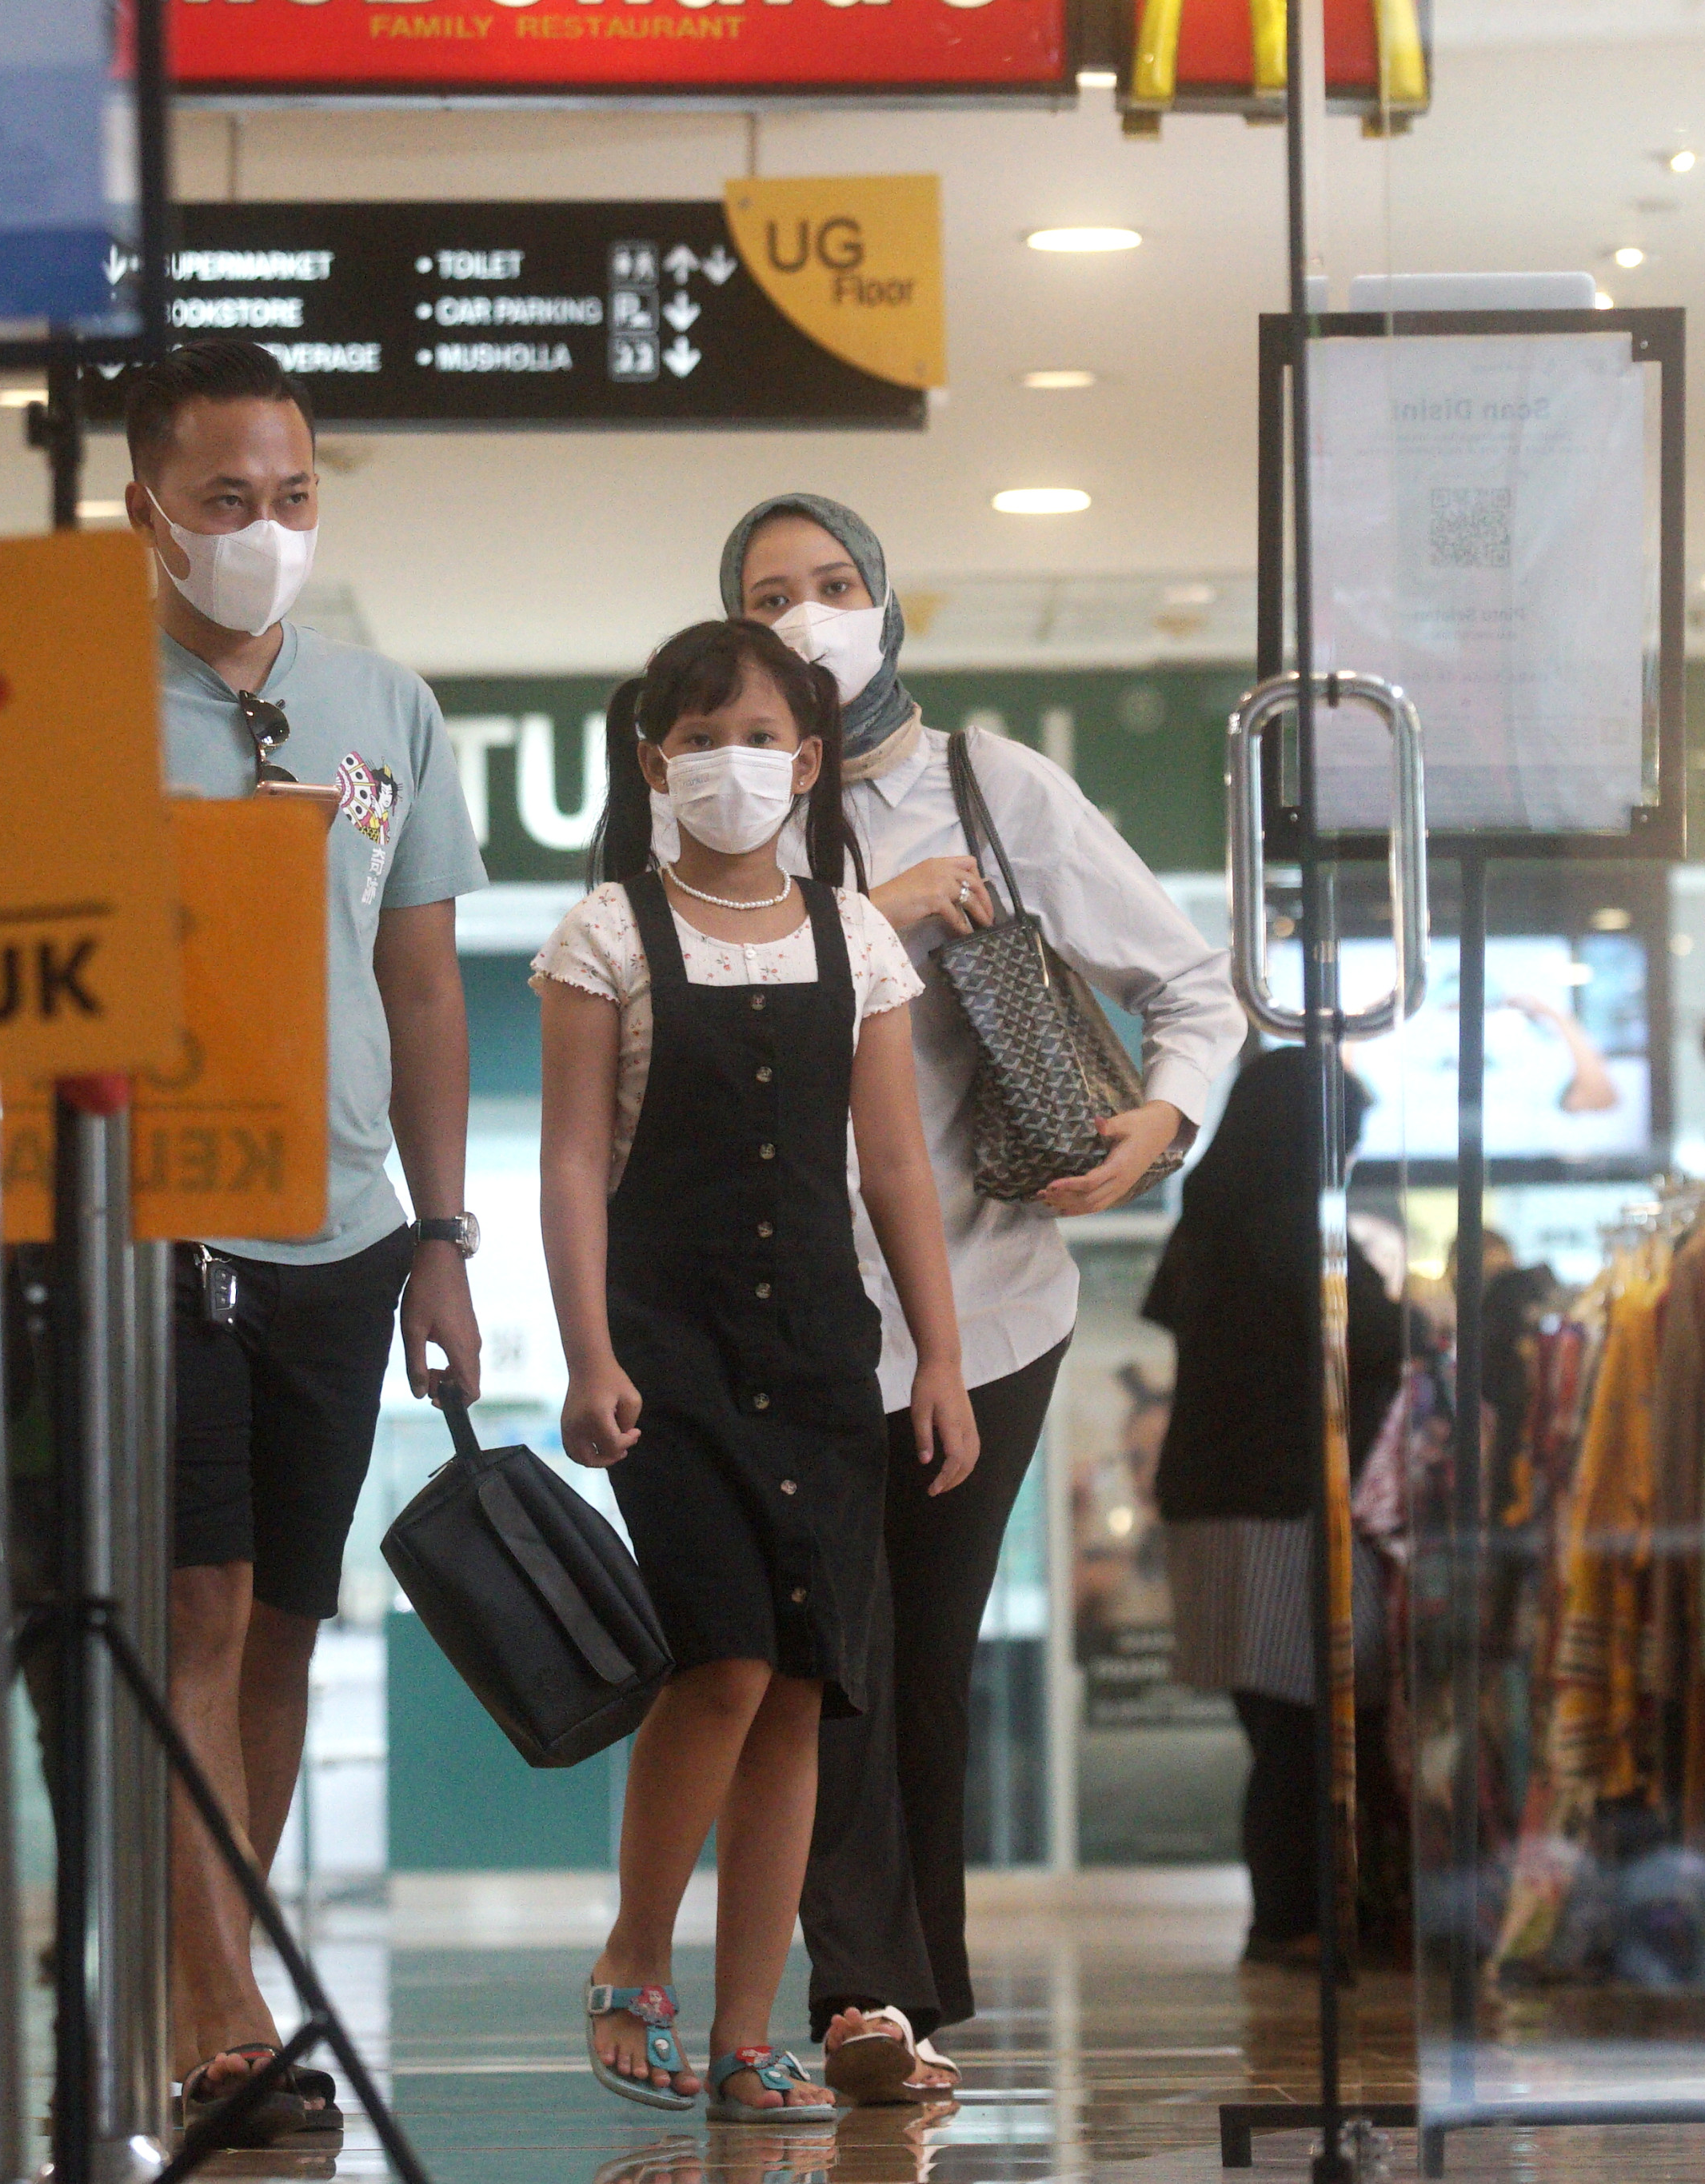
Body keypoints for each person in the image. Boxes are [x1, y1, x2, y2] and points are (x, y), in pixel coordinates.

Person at [725, 493, 1241, 2101]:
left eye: (831, 586)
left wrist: (1161, 1118)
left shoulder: (993, 785)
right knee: (826, 1652)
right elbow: (682, 1009)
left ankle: (905, 1999)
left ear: (884, 603)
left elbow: (1199, 984)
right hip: (784, 1313)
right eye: (768, 594)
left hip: (994, 1303)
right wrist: (863, 922)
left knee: (922, 1645)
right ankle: (863, 1996)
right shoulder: (713, 803)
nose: (807, 616)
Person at [536, 619, 977, 2122]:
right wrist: (586, 1353)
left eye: (765, 736)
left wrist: (942, 1357)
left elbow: (897, 1167)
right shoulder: (604, 933)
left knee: (802, 1686)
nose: (735, 762)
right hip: (669, 1357)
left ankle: (744, 2035)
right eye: (701, 735)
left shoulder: (854, 932)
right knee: (718, 1662)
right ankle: (633, 1951)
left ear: (808, 760)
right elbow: (576, 1160)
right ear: (656, 756)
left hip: (820, 1357)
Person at [122, 337, 489, 2144]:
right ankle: (217, 2003)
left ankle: (209, 1966)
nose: (261, 528)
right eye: (222, 499)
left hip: (343, 1230)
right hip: (156, 1226)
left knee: (281, 1620)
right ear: (145, 511)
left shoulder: (383, 706)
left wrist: (442, 1238)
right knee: (186, 1604)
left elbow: (421, 985)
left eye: (289, 495)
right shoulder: (83, 708)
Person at [1140, 1048, 1405, 1968]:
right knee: (1308, 1720)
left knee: (1278, 1722)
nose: (1349, 1162)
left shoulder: (1210, 1219)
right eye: (1348, 1141)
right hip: (1278, 1499)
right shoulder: (1287, 1225)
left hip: (1213, 1493)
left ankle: (1290, 1913)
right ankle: (1292, 1918)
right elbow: (1376, 1339)